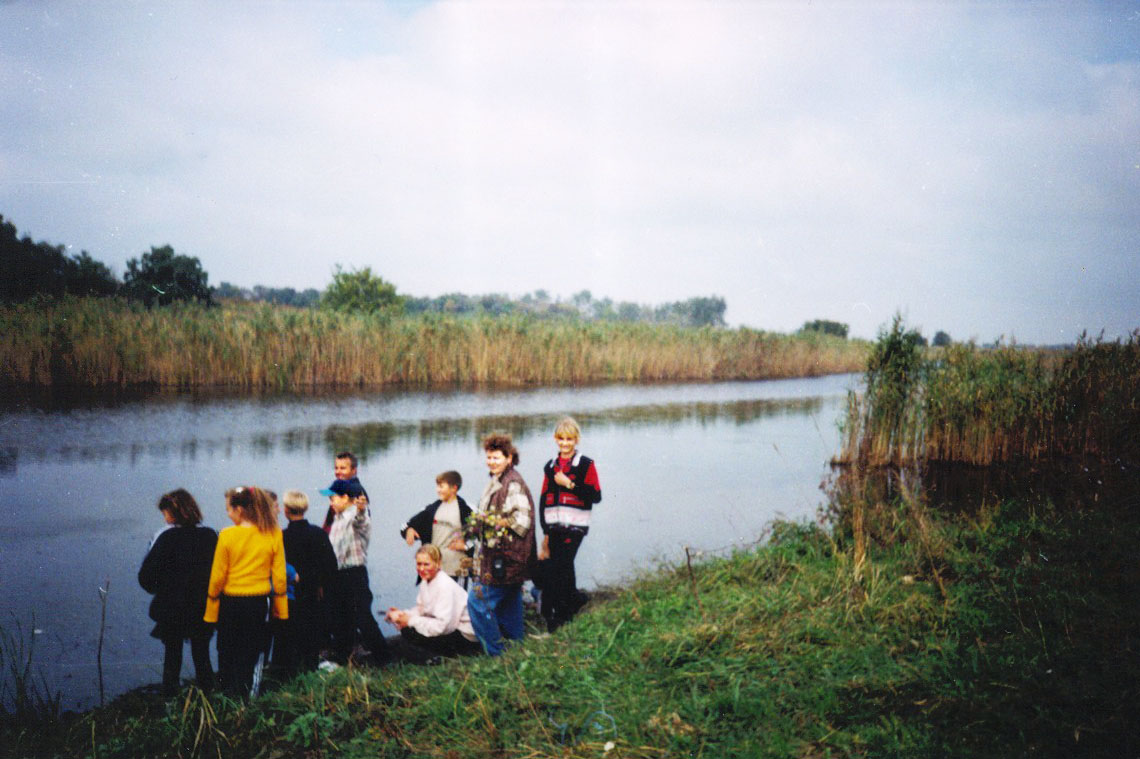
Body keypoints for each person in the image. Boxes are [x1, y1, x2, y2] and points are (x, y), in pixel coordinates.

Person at [204, 486, 288, 698]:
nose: (227, 514)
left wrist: (211, 609)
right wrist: (282, 611)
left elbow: (217, 577)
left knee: (226, 648)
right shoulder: (273, 533)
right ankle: (246, 696)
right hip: (258, 603)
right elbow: (279, 578)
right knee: (251, 650)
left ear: (239, 510)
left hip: (229, 603)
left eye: (229, 509)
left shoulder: (226, 535)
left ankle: (226, 693)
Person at [138, 488, 217, 695]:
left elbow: (146, 577)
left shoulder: (165, 537)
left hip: (172, 607)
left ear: (173, 514)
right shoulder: (210, 535)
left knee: (172, 654)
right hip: (202, 606)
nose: (164, 519)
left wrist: (161, 589)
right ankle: (208, 695)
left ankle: (170, 698)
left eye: (165, 514)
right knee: (202, 653)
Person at [465, 433, 536, 656]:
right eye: (489, 457)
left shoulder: (512, 483)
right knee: (509, 604)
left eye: (496, 458)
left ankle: (496, 653)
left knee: (477, 602)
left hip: (506, 559)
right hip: (507, 559)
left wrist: (490, 522)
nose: (491, 462)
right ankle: (516, 648)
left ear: (509, 458)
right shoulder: (499, 481)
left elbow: (522, 522)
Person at [537, 416, 602, 632]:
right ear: (556, 439)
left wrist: (570, 484)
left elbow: (595, 496)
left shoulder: (586, 464)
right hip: (554, 526)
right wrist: (545, 533)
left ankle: (562, 615)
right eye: (561, 439)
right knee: (561, 566)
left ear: (576, 440)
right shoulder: (550, 466)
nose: (565, 444)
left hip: (575, 526)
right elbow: (543, 498)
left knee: (562, 565)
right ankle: (572, 601)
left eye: (569, 439)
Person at [323, 478, 390, 665]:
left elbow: (362, 521)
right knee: (341, 617)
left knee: (363, 618)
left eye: (333, 498)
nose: (331, 502)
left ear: (346, 498)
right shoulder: (336, 518)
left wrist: (360, 509)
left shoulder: (354, 516)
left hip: (354, 575)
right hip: (339, 575)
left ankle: (384, 658)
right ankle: (344, 656)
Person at [385, 545, 481, 663]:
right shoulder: (426, 581)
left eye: (426, 564)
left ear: (438, 564)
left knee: (408, 637)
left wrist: (409, 620)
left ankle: (436, 658)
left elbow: (444, 627)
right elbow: (422, 610)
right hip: (450, 629)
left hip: (465, 637)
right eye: (419, 564)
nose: (422, 568)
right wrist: (402, 615)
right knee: (407, 632)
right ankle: (430, 656)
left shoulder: (445, 585)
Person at [277, 490, 337, 674]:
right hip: (313, 591)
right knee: (312, 631)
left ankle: (290, 671)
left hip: (291, 592)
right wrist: (320, 584)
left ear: (286, 511)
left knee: (291, 634)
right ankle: (311, 666)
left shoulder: (282, 536)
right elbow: (331, 566)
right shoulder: (318, 534)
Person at [399, 470, 472, 582]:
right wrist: (409, 530)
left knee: (456, 599)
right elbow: (405, 525)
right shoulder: (431, 509)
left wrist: (466, 546)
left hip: (458, 569)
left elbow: (483, 535)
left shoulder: (466, 509)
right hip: (434, 570)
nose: (437, 490)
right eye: (437, 486)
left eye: (441, 487)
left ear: (454, 488)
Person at [321, 451, 369, 532]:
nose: (338, 472)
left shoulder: (354, 488)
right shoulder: (340, 486)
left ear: (354, 470)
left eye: (343, 468)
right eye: (336, 468)